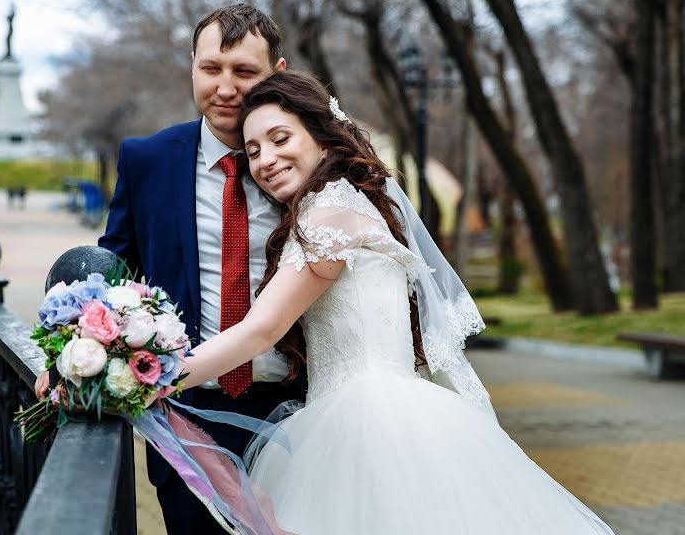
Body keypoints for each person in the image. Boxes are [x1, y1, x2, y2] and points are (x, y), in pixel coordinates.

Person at [166, 70, 615, 534]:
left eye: (280, 139)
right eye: (254, 150)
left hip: (370, 426)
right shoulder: (346, 202)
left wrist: (156, 377)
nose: (266, 160)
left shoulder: (328, 215)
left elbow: (261, 330)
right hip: (367, 414)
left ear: (321, 137)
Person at [35, 3, 299, 534]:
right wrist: (67, 353)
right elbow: (112, 270)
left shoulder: (302, 161)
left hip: (295, 410)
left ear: (277, 74)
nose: (225, 87)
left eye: (244, 72)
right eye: (211, 69)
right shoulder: (147, 159)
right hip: (183, 410)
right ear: (193, 68)